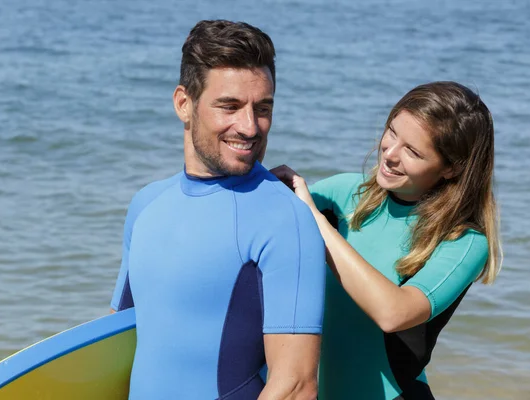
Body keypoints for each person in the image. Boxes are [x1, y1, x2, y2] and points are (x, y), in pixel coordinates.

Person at [110, 20, 326, 400]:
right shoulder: (146, 204)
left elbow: (295, 386)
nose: (250, 127)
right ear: (184, 104)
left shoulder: (284, 219)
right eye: (230, 106)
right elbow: (115, 342)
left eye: (263, 108)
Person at [271, 81, 501, 400]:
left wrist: (313, 220)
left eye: (412, 151)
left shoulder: (463, 241)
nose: (390, 153)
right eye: (392, 132)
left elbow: (393, 312)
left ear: (451, 168)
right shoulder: (345, 193)